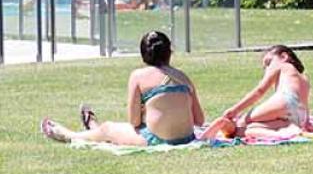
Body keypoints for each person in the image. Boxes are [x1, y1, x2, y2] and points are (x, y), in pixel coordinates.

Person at [41, 31, 204, 147]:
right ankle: (93, 128)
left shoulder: (138, 76)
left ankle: (70, 135)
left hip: (156, 139)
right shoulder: (183, 77)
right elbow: (199, 120)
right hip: (186, 138)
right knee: (108, 131)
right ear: (169, 52)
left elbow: (134, 122)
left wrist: (145, 112)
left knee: (108, 129)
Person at [203, 44, 310, 139]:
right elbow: (304, 103)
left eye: (268, 62)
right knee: (251, 128)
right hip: (300, 115)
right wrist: (306, 122)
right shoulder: (304, 78)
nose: (267, 69)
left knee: (241, 124)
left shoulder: (281, 65)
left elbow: (259, 91)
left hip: (286, 100)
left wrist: (235, 110)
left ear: (283, 56)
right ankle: (285, 131)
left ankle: (278, 134)